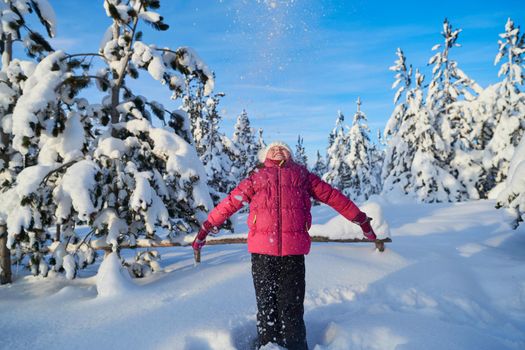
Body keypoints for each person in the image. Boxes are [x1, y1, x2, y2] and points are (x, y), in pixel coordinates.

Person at [192, 141, 377, 350]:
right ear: (265, 156)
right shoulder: (257, 177)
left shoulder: (302, 175)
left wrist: (360, 218)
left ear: (289, 155)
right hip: (262, 253)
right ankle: (268, 344)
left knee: (292, 305)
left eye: (283, 148)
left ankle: (296, 345)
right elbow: (230, 203)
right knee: (266, 305)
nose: (278, 150)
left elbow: (333, 197)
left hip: (293, 252)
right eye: (273, 148)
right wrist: (207, 226)